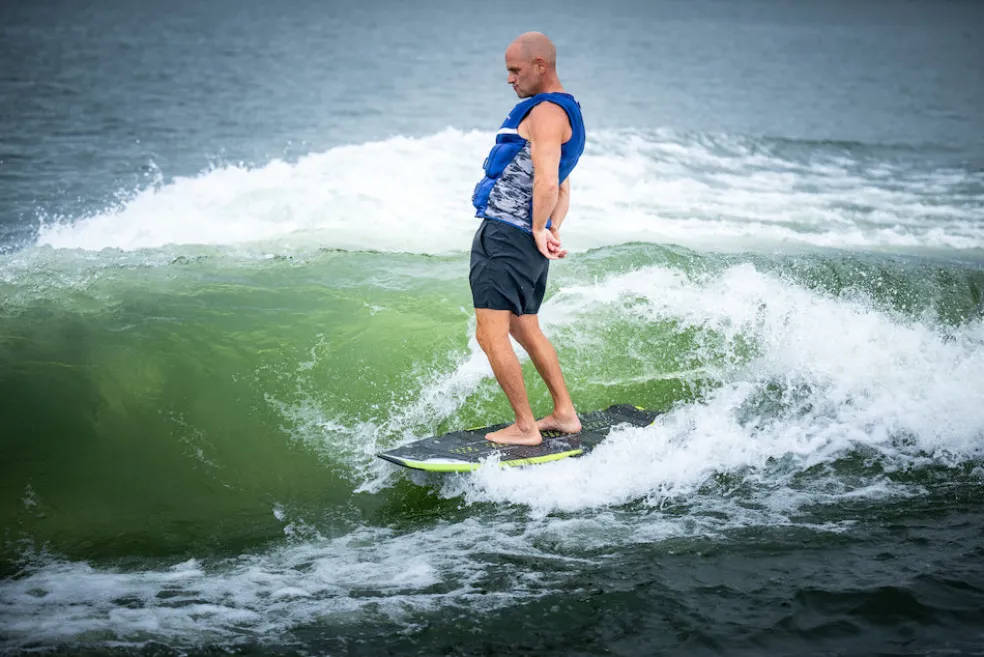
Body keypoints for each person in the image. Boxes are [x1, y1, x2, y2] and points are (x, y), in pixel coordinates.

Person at [469, 31, 586, 446]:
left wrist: (538, 229)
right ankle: (565, 413)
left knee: (490, 335)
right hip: (527, 242)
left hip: (507, 238)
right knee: (525, 329)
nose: (510, 79)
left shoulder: (546, 113)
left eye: (515, 70)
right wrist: (551, 229)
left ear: (541, 64)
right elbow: (563, 187)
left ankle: (524, 427)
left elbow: (548, 181)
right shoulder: (567, 112)